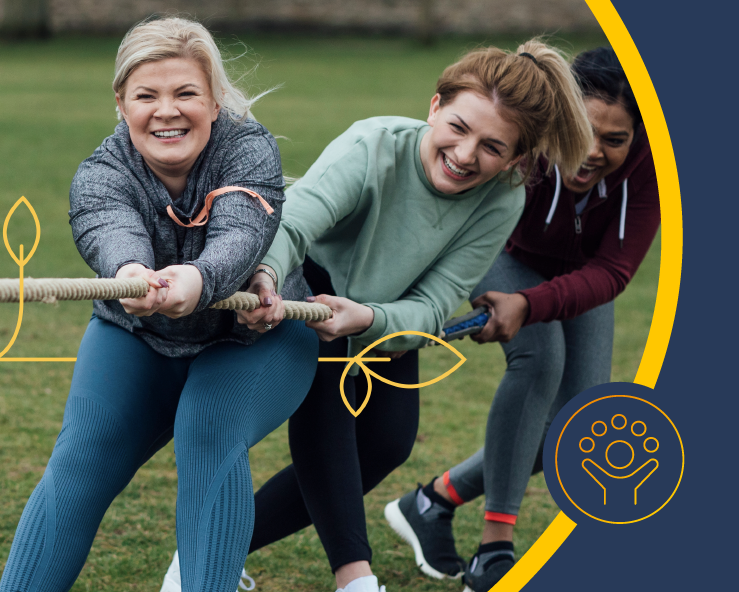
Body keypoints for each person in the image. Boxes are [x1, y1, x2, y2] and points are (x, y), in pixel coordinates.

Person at [161, 39, 594, 592]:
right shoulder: (373, 144)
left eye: (491, 147)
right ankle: (355, 578)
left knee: (387, 444)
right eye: (458, 127)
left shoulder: (503, 200)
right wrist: (266, 278)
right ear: (435, 107)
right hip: (307, 287)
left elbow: (436, 304)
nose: (465, 154)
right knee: (332, 406)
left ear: (514, 160)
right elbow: (291, 227)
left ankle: (207, 548)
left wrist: (366, 318)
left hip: (383, 317)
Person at [0, 17, 318, 592]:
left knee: (209, 424)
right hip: (136, 337)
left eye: (185, 93)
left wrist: (201, 278)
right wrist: (130, 273)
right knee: (78, 465)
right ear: (121, 105)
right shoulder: (101, 172)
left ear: (215, 101)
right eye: (147, 95)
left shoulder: (250, 149)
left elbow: (243, 231)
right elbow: (107, 227)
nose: (166, 110)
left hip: (253, 340)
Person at [385, 47, 660, 592]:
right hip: (502, 250)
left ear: (640, 139)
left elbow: (614, 269)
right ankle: (495, 550)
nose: (591, 151)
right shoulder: (527, 141)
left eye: (615, 138)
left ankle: (433, 501)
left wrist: (534, 304)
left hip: (579, 277)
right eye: (583, 129)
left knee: (580, 427)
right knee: (540, 360)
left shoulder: (651, 168)